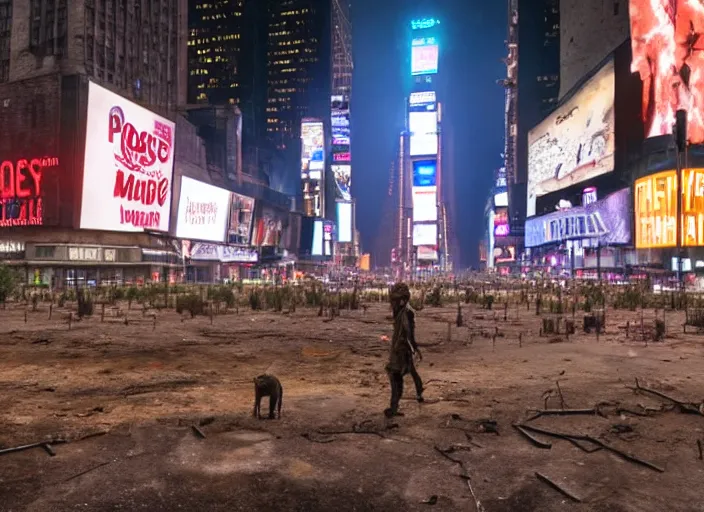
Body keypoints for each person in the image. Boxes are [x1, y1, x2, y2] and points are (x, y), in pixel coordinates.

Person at [385, 282, 424, 418]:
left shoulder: (406, 313)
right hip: (400, 350)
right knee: (401, 377)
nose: (393, 303)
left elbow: (408, 333)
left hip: (402, 351)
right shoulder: (401, 311)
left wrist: (413, 348)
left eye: (396, 301)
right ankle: (394, 408)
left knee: (399, 377)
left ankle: (394, 407)